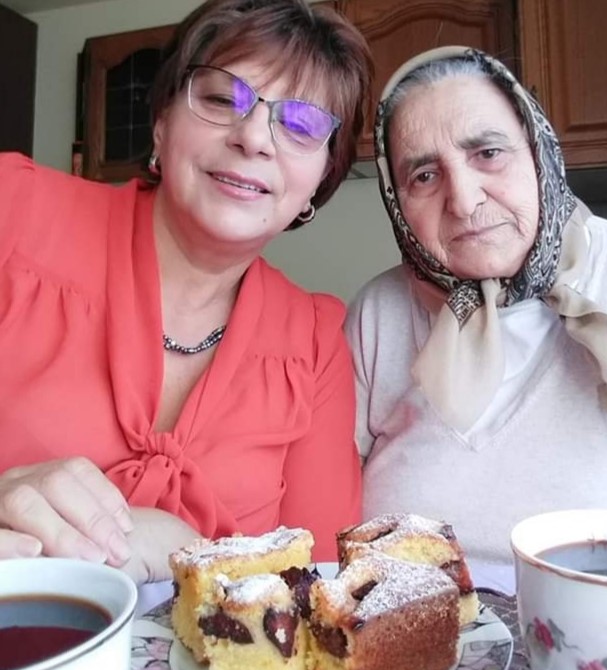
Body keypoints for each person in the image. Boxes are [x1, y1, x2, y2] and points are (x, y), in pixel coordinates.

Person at [0, 0, 373, 579]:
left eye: (301, 125)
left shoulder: (315, 341)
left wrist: (186, 550)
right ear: (162, 121)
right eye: (222, 99)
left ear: (320, 180)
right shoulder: (14, 212)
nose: (254, 138)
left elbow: (320, 582)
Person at [346, 46, 607, 563]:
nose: (464, 200)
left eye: (488, 153)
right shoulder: (377, 315)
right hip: (424, 613)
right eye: (424, 176)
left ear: (539, 152)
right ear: (397, 201)